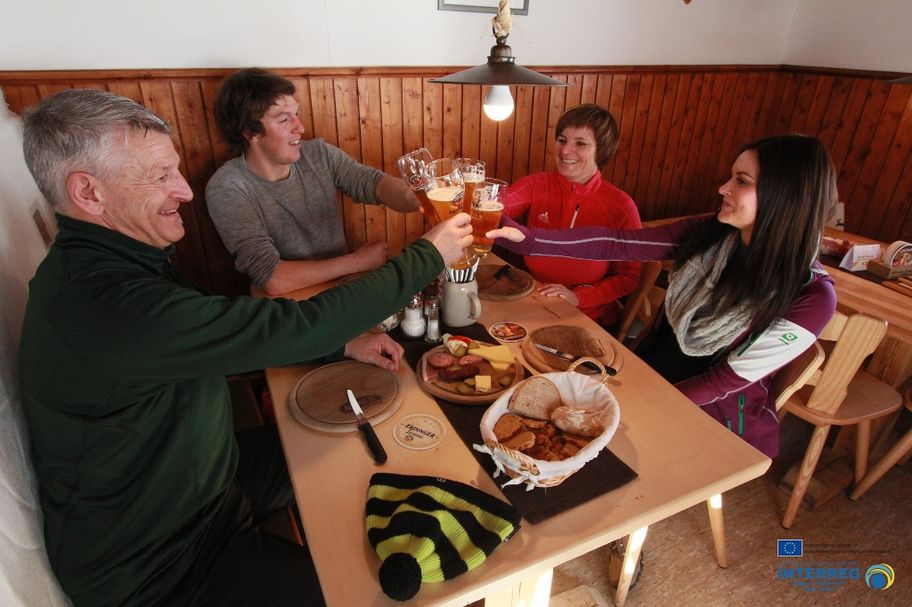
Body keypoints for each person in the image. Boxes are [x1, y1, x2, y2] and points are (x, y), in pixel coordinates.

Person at [18, 88, 471, 607]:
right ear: (89, 193)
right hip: (165, 566)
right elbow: (290, 320)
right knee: (372, 597)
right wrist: (426, 256)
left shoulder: (116, 264)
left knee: (364, 429)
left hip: (208, 479)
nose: (184, 191)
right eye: (160, 175)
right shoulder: (103, 306)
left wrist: (340, 341)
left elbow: (224, 334)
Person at [488, 134, 838, 458]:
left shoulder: (811, 297)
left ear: (787, 198)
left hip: (709, 417)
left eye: (742, 182)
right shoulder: (713, 233)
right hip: (646, 372)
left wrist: (629, 409)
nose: (723, 188)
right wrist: (529, 239)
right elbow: (619, 243)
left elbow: (722, 383)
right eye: (731, 177)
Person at [206, 67, 422, 295]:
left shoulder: (318, 153)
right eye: (283, 119)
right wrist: (358, 262)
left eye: (296, 114)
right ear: (250, 132)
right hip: (286, 304)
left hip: (342, 287)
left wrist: (417, 196)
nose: (300, 127)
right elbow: (273, 278)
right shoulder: (227, 187)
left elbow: (372, 183)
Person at [502, 103, 641, 326]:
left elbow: (629, 277)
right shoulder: (538, 184)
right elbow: (496, 206)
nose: (565, 151)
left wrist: (577, 297)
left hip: (588, 317)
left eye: (581, 143)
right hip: (532, 302)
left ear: (602, 151)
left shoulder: (621, 207)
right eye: (562, 140)